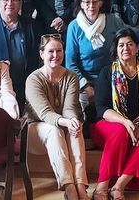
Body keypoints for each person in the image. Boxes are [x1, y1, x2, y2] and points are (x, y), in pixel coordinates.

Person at [66, 0, 139, 115]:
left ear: (101, 3)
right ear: (80, 4)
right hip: (85, 81)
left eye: (95, 1)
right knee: (79, 114)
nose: (91, 5)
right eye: (87, 2)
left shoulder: (111, 21)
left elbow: (133, 33)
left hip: (112, 78)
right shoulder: (74, 27)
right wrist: (86, 86)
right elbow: (70, 63)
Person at [91, 28, 139, 200]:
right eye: (121, 45)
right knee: (121, 131)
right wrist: (124, 122)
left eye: (130, 44)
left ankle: (118, 187)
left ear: (137, 47)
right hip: (108, 124)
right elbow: (101, 108)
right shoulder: (107, 72)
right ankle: (102, 186)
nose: (125, 48)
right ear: (116, 49)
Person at [26, 34, 89, 200]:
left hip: (62, 126)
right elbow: (45, 113)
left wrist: (73, 120)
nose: (56, 55)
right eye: (51, 51)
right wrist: (66, 122)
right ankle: (69, 187)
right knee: (54, 130)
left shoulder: (71, 77)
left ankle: (81, 186)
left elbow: (69, 108)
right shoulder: (33, 79)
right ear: (42, 54)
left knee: (76, 130)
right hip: (36, 130)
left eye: (59, 51)